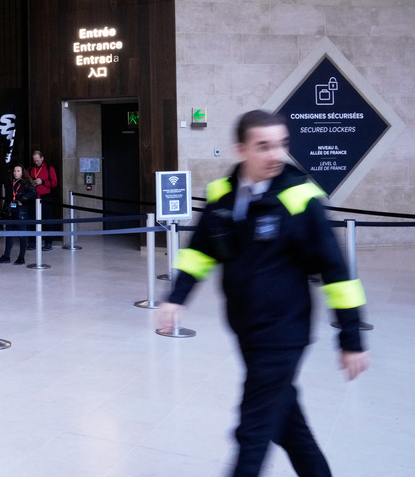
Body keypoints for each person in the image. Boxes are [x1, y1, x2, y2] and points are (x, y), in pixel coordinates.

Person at [157, 110, 369, 477]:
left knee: (252, 432)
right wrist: (177, 296)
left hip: (283, 332)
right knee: (289, 426)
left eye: (282, 145)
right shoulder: (222, 195)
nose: (276, 155)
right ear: (241, 149)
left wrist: (351, 336)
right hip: (246, 329)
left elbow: (336, 272)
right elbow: (200, 250)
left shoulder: (301, 199)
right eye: (264, 146)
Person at [0, 164, 37, 265]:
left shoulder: (26, 183)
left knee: (22, 234)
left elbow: (34, 193)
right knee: (9, 234)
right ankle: (6, 256)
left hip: (21, 212)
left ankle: (21, 257)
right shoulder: (11, 183)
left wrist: (22, 199)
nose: (16, 173)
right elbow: (8, 198)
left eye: (18, 171)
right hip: (11, 211)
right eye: (15, 171)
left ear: (22, 172)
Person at [29, 150, 58, 250]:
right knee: (32, 220)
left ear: (42, 158)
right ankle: (32, 242)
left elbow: (54, 183)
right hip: (33, 197)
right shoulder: (30, 168)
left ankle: (48, 242)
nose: (36, 162)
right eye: (34, 161)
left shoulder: (49, 168)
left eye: (37, 160)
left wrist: (43, 182)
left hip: (45, 197)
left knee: (47, 220)